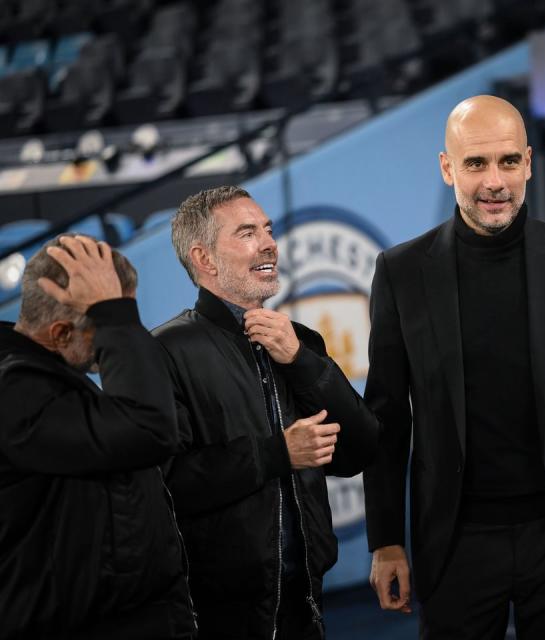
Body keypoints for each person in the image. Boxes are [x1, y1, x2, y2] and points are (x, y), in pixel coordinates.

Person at [363, 95, 545, 639]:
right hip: (456, 541)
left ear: (529, 163)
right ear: (448, 167)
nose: (495, 182)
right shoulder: (402, 272)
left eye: (508, 162)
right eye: (475, 164)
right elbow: (386, 416)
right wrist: (386, 540)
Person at [153, 186, 380, 640]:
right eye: (247, 232)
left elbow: (361, 448)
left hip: (307, 603)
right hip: (215, 617)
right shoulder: (165, 350)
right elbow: (166, 484)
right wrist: (277, 453)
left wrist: (302, 360)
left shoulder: (299, 342)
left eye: (268, 229)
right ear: (205, 259)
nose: (268, 243)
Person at [0, 234, 196, 639]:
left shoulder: (39, 373)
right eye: (106, 327)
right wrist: (115, 315)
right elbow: (149, 431)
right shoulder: (14, 392)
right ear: (60, 334)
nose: (117, 337)